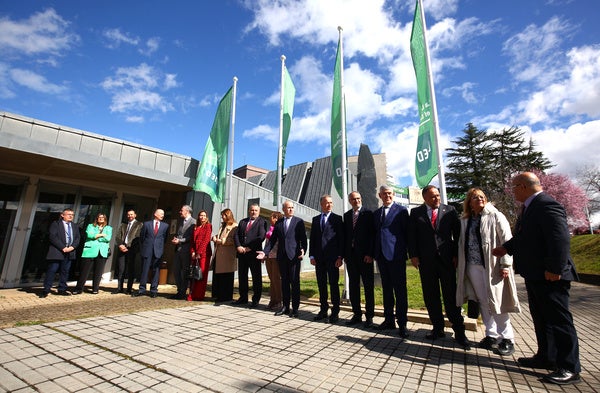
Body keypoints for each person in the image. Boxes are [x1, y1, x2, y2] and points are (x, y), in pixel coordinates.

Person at [492, 172, 581, 385]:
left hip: (550, 275)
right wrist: (506, 248)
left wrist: (554, 268)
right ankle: (546, 357)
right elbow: (525, 236)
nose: (512, 191)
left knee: (559, 321)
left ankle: (569, 367)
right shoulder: (530, 207)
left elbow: (559, 238)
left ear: (523, 186)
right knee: (541, 318)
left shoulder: (547, 205)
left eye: (513, 187)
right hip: (535, 274)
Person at [455, 188, 520, 356]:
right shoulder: (465, 220)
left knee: (496, 301)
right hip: (472, 266)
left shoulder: (495, 215)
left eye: (482, 197)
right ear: (469, 202)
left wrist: (505, 264)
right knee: (482, 300)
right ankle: (491, 334)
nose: (479, 200)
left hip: (491, 266)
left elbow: (507, 240)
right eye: (475, 198)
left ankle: (506, 338)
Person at [408, 185, 471, 348]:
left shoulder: (449, 210)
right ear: (424, 198)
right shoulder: (416, 213)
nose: (436, 198)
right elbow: (412, 236)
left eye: (438, 195)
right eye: (432, 196)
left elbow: (458, 236)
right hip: (426, 261)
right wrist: (413, 255)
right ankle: (438, 328)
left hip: (447, 260)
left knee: (451, 296)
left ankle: (459, 331)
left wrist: (457, 255)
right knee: (431, 296)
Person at [259, 200, 307, 318]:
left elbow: (303, 239)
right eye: (288, 208)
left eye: (292, 208)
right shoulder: (279, 223)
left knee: (295, 283)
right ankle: (285, 307)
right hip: (282, 257)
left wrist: (303, 249)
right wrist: (265, 253)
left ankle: (295, 309)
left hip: (294, 256)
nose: (291, 210)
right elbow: (273, 240)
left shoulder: (299, 222)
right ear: (284, 210)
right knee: (284, 282)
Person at [373, 185, 410, 338]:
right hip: (381, 256)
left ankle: (402, 323)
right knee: (386, 289)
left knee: (400, 290)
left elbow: (407, 233)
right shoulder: (376, 214)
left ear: (393, 195)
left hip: (396, 256)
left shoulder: (401, 211)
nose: (387, 196)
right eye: (384, 194)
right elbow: (375, 234)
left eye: (389, 193)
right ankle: (389, 320)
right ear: (380, 195)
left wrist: (409, 253)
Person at [309, 195, 344, 323]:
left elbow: (341, 239)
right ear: (321, 204)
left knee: (334, 285)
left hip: (333, 258)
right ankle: (323, 310)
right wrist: (311, 256)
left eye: (331, 202)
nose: (329, 205)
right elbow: (313, 239)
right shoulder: (315, 219)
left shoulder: (337, 219)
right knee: (321, 285)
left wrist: (340, 256)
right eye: (326, 203)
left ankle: (335, 312)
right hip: (319, 258)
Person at [343, 191, 375, 328]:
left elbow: (373, 235)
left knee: (368, 287)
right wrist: (345, 255)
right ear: (350, 201)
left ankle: (369, 317)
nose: (356, 201)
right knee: (353, 286)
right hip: (351, 257)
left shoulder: (369, 214)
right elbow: (345, 236)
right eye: (353, 199)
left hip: (365, 257)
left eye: (358, 198)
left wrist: (370, 253)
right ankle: (357, 314)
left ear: (361, 199)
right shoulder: (346, 215)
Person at [41, 208, 81, 297]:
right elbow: (52, 237)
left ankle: (62, 289)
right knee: (52, 270)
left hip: (69, 252)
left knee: (65, 271)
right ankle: (46, 289)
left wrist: (72, 247)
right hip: (57, 251)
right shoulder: (56, 224)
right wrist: (63, 247)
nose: (71, 216)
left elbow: (78, 238)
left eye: (72, 214)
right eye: (68, 214)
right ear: (62, 215)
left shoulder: (75, 226)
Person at [233, 203, 268, 307]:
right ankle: (243, 297)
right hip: (242, 253)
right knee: (242, 276)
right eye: (252, 210)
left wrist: (250, 247)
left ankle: (255, 299)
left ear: (259, 211)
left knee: (256, 277)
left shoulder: (262, 222)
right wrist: (239, 246)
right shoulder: (243, 221)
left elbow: (261, 237)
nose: (253, 212)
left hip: (254, 253)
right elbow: (236, 235)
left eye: (256, 210)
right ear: (249, 211)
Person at [73, 213, 112, 294]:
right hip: (90, 251)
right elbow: (90, 235)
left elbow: (108, 238)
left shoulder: (108, 228)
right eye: (99, 217)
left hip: (102, 252)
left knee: (98, 272)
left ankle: (95, 289)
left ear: (105, 219)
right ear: (96, 218)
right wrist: (101, 235)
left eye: (103, 217)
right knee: (84, 271)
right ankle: (79, 288)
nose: (101, 218)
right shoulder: (91, 226)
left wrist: (97, 237)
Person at [133, 209, 169, 298]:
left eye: (163, 214)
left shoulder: (165, 226)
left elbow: (165, 239)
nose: (162, 215)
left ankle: (153, 290)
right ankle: (142, 289)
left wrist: (159, 248)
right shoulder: (146, 224)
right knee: (144, 270)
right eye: (161, 214)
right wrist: (144, 248)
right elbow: (142, 237)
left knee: (156, 271)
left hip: (158, 251)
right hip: (147, 250)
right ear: (155, 214)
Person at [211, 208, 238, 302]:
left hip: (227, 255)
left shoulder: (234, 226)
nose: (222, 217)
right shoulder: (223, 225)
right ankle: (218, 295)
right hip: (219, 254)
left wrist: (221, 241)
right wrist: (214, 237)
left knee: (226, 277)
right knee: (219, 276)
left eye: (223, 215)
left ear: (228, 215)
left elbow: (234, 240)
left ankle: (225, 296)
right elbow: (220, 236)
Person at [171, 205, 196, 300]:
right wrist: (176, 239)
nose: (180, 212)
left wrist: (180, 241)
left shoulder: (193, 222)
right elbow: (180, 234)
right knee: (176, 270)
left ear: (187, 211)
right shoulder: (182, 222)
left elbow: (192, 237)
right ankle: (179, 290)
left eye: (181, 210)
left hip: (186, 251)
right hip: (178, 250)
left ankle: (182, 292)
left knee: (184, 272)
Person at [115, 210, 143, 294]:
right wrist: (120, 245)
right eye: (128, 214)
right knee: (121, 269)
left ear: (135, 215)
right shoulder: (123, 225)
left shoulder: (139, 224)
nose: (130, 216)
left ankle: (129, 289)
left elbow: (138, 237)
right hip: (122, 249)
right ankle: (119, 288)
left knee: (130, 269)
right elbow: (117, 236)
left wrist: (128, 246)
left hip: (132, 250)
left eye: (131, 214)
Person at [190, 210, 213, 301]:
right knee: (195, 274)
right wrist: (192, 252)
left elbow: (206, 240)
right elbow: (192, 241)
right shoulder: (196, 227)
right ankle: (193, 293)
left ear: (206, 217)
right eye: (201, 215)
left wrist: (199, 252)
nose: (202, 217)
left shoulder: (208, 226)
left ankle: (199, 295)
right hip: (195, 254)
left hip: (204, 254)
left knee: (201, 274)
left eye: (204, 215)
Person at [264, 211, 284, 310]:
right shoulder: (270, 229)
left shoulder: (280, 229)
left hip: (276, 257)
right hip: (269, 256)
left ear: (276, 218)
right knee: (272, 279)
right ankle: (272, 300)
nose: (270, 219)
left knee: (276, 279)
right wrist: (264, 254)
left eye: (272, 217)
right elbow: (267, 243)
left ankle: (279, 301)